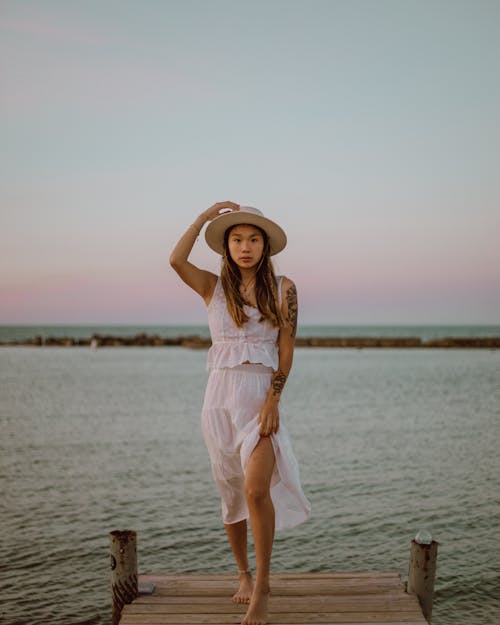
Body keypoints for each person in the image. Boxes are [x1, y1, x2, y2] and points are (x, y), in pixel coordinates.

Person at [170, 201, 311, 625]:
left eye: (253, 239)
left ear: (265, 245)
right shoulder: (212, 287)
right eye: (236, 239)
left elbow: (286, 349)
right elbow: (175, 259)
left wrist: (274, 400)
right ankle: (243, 574)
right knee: (231, 493)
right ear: (226, 246)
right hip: (218, 398)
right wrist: (202, 217)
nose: (244, 247)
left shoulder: (284, 287)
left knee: (255, 490)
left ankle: (263, 587)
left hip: (259, 398)